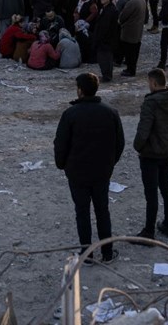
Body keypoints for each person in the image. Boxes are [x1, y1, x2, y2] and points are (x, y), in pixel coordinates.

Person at [54, 72, 124, 265]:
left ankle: (87, 254)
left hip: (77, 173)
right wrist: (110, 163)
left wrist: (63, 165)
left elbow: (61, 144)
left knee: (82, 212)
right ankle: (107, 252)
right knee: (103, 211)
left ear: (79, 90)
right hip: (102, 171)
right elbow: (120, 143)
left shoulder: (70, 114)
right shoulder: (110, 112)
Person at [133, 68, 168, 239]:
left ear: (153, 83)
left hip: (151, 152)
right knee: (166, 188)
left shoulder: (151, 102)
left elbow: (144, 129)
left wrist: (138, 146)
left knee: (151, 193)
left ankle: (148, 232)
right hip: (166, 149)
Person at [117, 0, 147, 77]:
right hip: (137, 31)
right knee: (134, 52)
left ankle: (130, 70)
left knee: (130, 53)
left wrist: (120, 21)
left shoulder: (132, 2)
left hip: (130, 31)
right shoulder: (142, 0)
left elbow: (123, 16)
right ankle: (131, 69)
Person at [94, 0, 120, 82]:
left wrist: (99, 37)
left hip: (106, 39)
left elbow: (105, 26)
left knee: (105, 58)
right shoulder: (107, 8)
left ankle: (106, 76)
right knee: (106, 57)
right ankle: (106, 74)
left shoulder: (110, 10)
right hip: (107, 39)